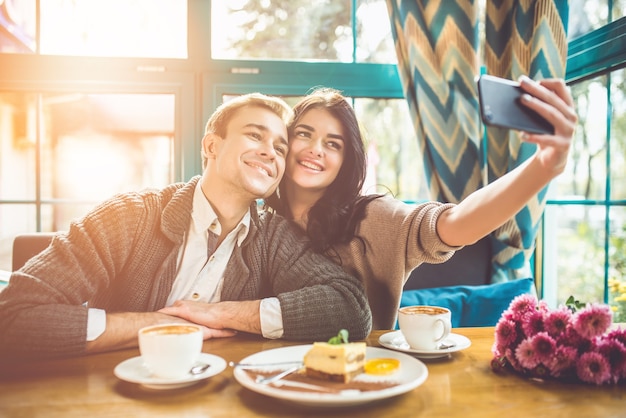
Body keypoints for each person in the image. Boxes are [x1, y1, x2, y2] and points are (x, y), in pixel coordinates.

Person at [0, 93, 372, 361]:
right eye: (255, 135)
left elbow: (352, 309)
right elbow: (13, 316)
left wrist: (222, 314)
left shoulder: (276, 237)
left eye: (279, 147)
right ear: (212, 145)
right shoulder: (128, 217)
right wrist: (155, 325)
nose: (269, 153)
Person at [265, 76, 578, 329]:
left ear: (347, 160)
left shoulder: (371, 217)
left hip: (359, 386)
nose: (316, 149)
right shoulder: (258, 221)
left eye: (333, 144)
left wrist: (545, 166)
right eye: (304, 134)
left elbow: (457, 224)